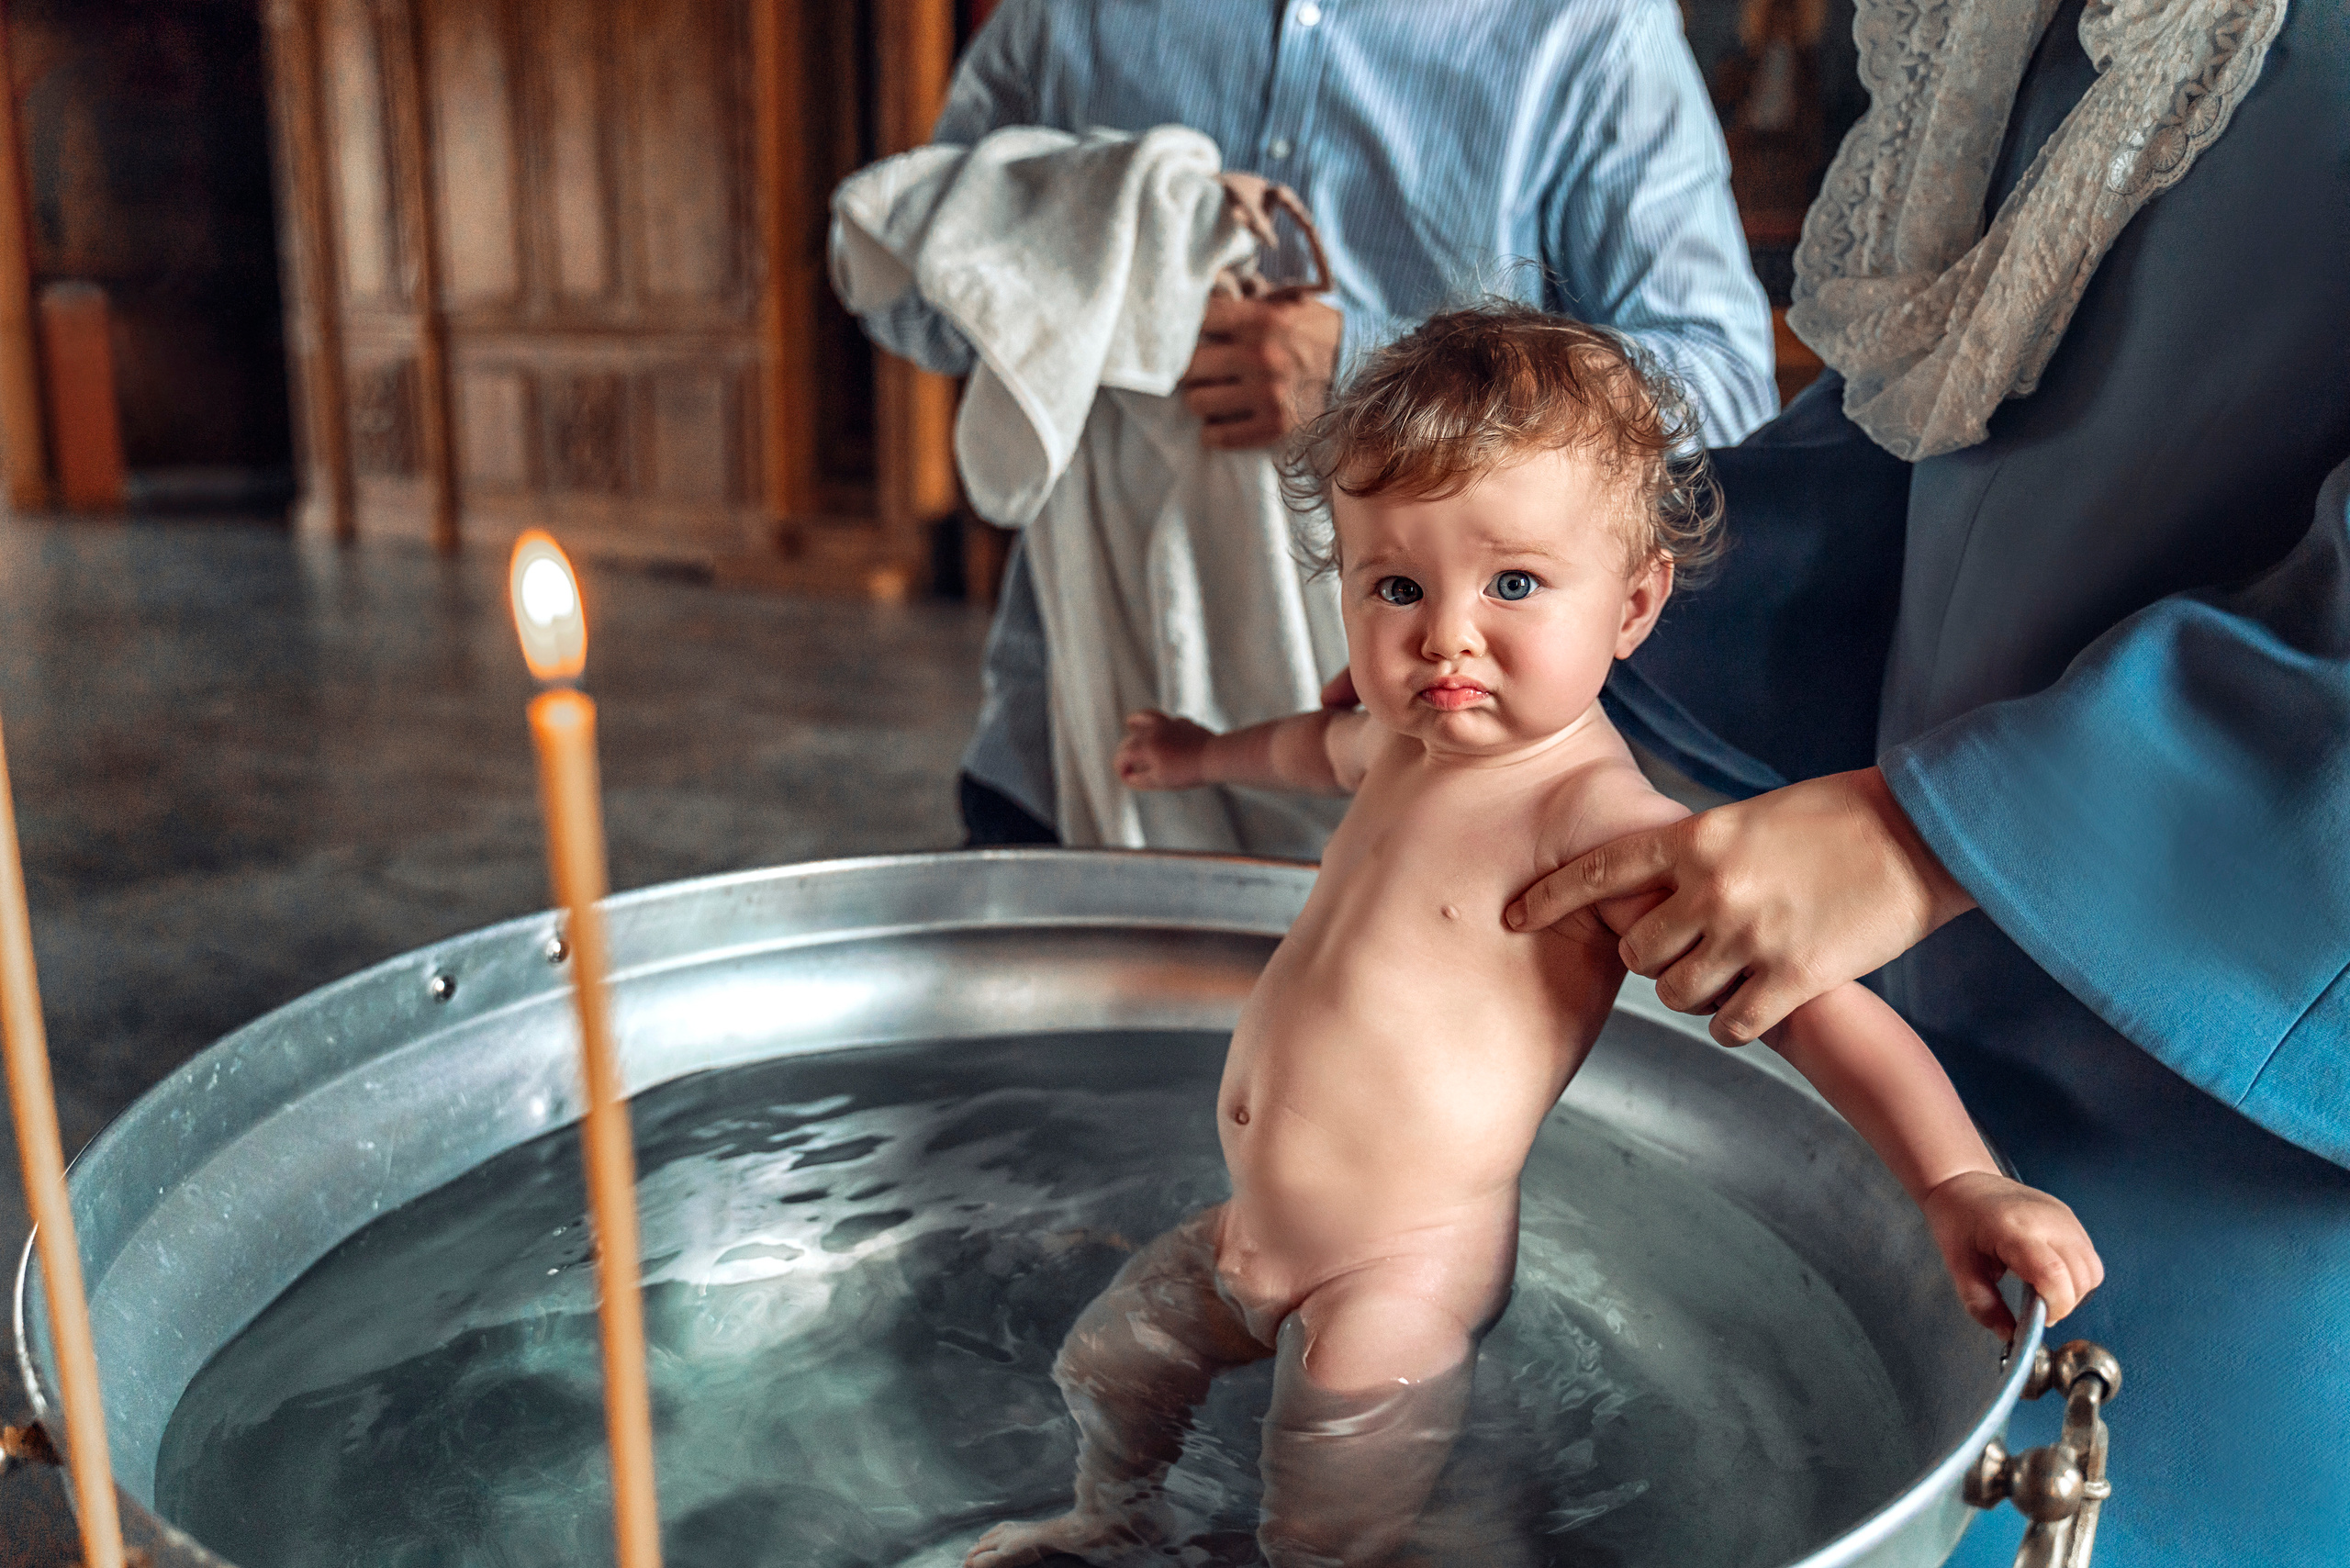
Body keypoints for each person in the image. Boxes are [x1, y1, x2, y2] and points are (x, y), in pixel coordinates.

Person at [962, 306, 2099, 1568]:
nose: (1446, 632)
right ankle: (1107, 1523)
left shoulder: (1590, 821)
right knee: (1110, 1363)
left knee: (1321, 1521)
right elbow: (1308, 747)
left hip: (1398, 1277)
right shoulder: (1403, 741)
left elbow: (1823, 1008)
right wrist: (1195, 756)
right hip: (1256, 1224)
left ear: (1632, 603)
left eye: (1512, 584)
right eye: (1396, 585)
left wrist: (1957, 1180)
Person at [1502, 1, 2350, 1562]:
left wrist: (1926, 834)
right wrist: (1549, 613)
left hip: (2256, 1080)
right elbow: (1953, 410)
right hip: (1956, 997)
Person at [854, 0, 1779, 847]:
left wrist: (1361, 366)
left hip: (1422, 770)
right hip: (1070, 731)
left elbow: (1728, 386)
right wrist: (1100, 237)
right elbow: (915, 296)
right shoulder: (1068, 12)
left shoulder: (1587, 26)